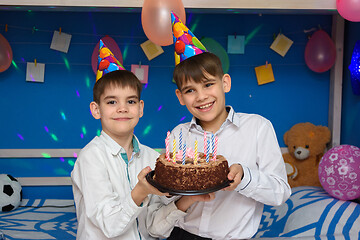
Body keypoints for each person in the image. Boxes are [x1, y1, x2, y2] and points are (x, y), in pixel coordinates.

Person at [146, 12, 291, 240]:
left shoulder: (257, 128)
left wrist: (245, 178)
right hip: (183, 234)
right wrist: (163, 185)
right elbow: (165, 197)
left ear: (225, 83)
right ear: (180, 96)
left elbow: (280, 193)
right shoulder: (178, 136)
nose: (201, 96)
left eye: (208, 84)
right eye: (190, 90)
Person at [71, 40, 169, 240]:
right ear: (96, 110)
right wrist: (140, 191)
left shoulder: (152, 157)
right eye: (112, 102)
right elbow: (109, 226)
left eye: (130, 101)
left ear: (140, 108)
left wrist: (186, 201)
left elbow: (154, 228)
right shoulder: (91, 157)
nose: (122, 108)